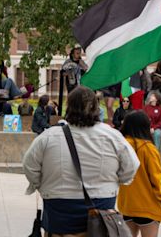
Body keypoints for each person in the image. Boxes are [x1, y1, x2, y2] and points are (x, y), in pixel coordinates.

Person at [23, 86, 140, 236]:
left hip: (58, 209)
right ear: (95, 107)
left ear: (69, 107)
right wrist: (115, 181)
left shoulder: (48, 137)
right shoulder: (112, 136)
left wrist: (45, 186)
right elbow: (131, 166)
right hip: (101, 210)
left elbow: (29, 166)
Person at [118, 110, 161, 236]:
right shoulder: (148, 149)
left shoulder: (121, 146)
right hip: (147, 206)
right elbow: (156, 179)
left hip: (126, 204)